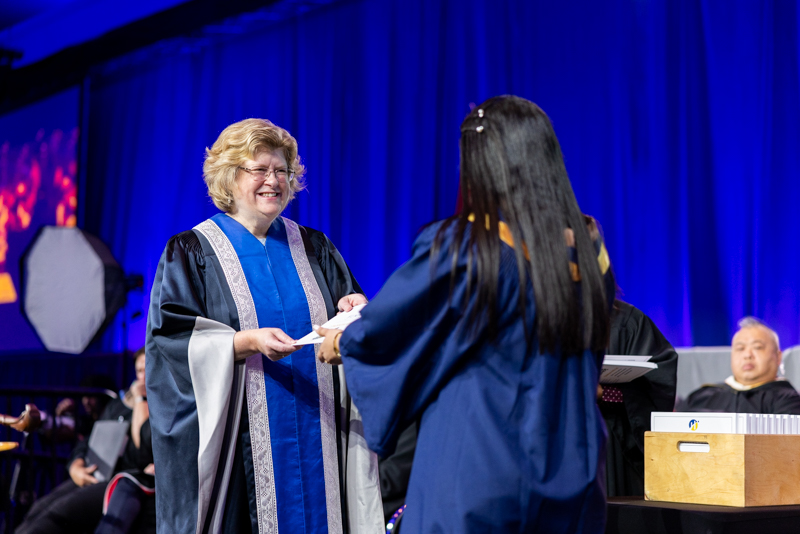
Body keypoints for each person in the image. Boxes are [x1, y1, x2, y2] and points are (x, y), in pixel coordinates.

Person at [316, 96, 615, 533]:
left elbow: (394, 329)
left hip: (484, 464)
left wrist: (345, 341)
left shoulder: (469, 247)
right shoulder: (589, 252)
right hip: (575, 465)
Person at [145, 118, 383, 534]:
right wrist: (243, 342)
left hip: (319, 428)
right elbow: (170, 342)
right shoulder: (193, 252)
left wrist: (352, 306)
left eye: (282, 171)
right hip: (241, 445)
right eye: (260, 169)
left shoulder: (315, 248)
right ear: (229, 176)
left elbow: (350, 309)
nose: (274, 180)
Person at [16, 348, 153, 534]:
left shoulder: (157, 406)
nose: (142, 377)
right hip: (95, 474)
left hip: (121, 481)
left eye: (148, 369)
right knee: (38, 509)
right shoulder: (118, 405)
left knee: (53, 518)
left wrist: (141, 399)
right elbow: (90, 440)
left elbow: (143, 450)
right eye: (139, 371)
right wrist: (76, 466)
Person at [600, 300, 678, 497]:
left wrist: (604, 394)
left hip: (612, 446)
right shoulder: (529, 318)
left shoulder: (625, 320)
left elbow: (658, 385)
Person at [677, 317, 800, 413]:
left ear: (778, 356)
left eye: (757, 347)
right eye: (740, 348)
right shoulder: (703, 395)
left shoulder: (789, 401)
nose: (747, 355)